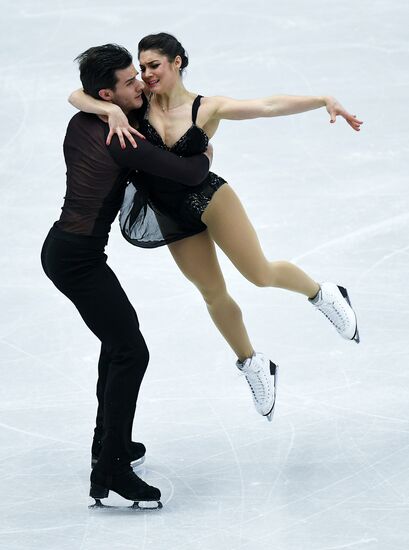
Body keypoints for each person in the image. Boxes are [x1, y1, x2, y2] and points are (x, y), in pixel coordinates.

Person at [68, 32, 362, 423]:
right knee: (212, 293)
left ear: (177, 62)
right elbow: (77, 95)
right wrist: (113, 112)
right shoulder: (137, 104)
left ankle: (322, 294)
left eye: (154, 65)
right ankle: (254, 364)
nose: (146, 74)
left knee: (259, 273)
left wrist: (321, 99)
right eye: (142, 67)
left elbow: (268, 105)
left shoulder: (206, 108)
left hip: (209, 199)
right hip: (169, 212)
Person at [42, 43, 213, 508]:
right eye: (129, 82)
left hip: (65, 250)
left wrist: (102, 106)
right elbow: (189, 174)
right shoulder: (122, 140)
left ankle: (108, 448)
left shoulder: (84, 119)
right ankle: (112, 468)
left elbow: (76, 99)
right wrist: (206, 151)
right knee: (130, 352)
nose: (140, 83)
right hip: (77, 259)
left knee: (118, 347)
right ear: (107, 92)